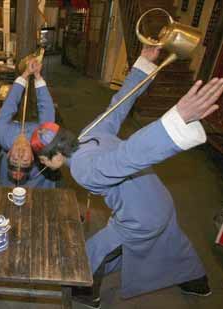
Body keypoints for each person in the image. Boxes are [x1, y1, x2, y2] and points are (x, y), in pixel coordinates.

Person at [30, 46, 223, 308]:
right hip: (158, 198)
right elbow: (119, 104)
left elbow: (129, 156)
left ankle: (88, 293)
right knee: (172, 240)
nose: (43, 165)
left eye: (42, 160)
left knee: (95, 249)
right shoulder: (87, 133)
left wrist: (175, 121)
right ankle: (197, 281)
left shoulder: (82, 169)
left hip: (141, 217)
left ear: (53, 156)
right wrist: (142, 64)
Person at [0, 58, 58, 187]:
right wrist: (38, 77)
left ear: (8, 154)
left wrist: (25, 75)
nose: (20, 154)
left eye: (14, 158)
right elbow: (46, 111)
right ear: (32, 158)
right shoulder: (42, 141)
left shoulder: (2, 135)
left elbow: (9, 105)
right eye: (24, 160)